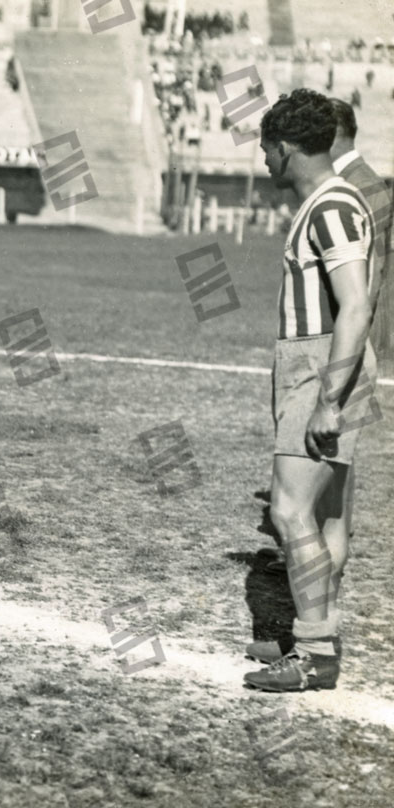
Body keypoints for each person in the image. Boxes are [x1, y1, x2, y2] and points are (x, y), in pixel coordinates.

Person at [242, 89, 380, 693]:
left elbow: (355, 304)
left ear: (287, 146)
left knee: (288, 510)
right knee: (324, 517)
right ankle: (314, 635)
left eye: (268, 149)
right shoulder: (328, 204)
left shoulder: (330, 205)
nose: (265, 162)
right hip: (320, 364)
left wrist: (327, 397)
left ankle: (317, 654)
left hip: (321, 366)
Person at [328, 98, 392, 369]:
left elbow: (371, 277)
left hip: (355, 340)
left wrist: (352, 347)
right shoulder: (348, 181)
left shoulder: (363, 186)